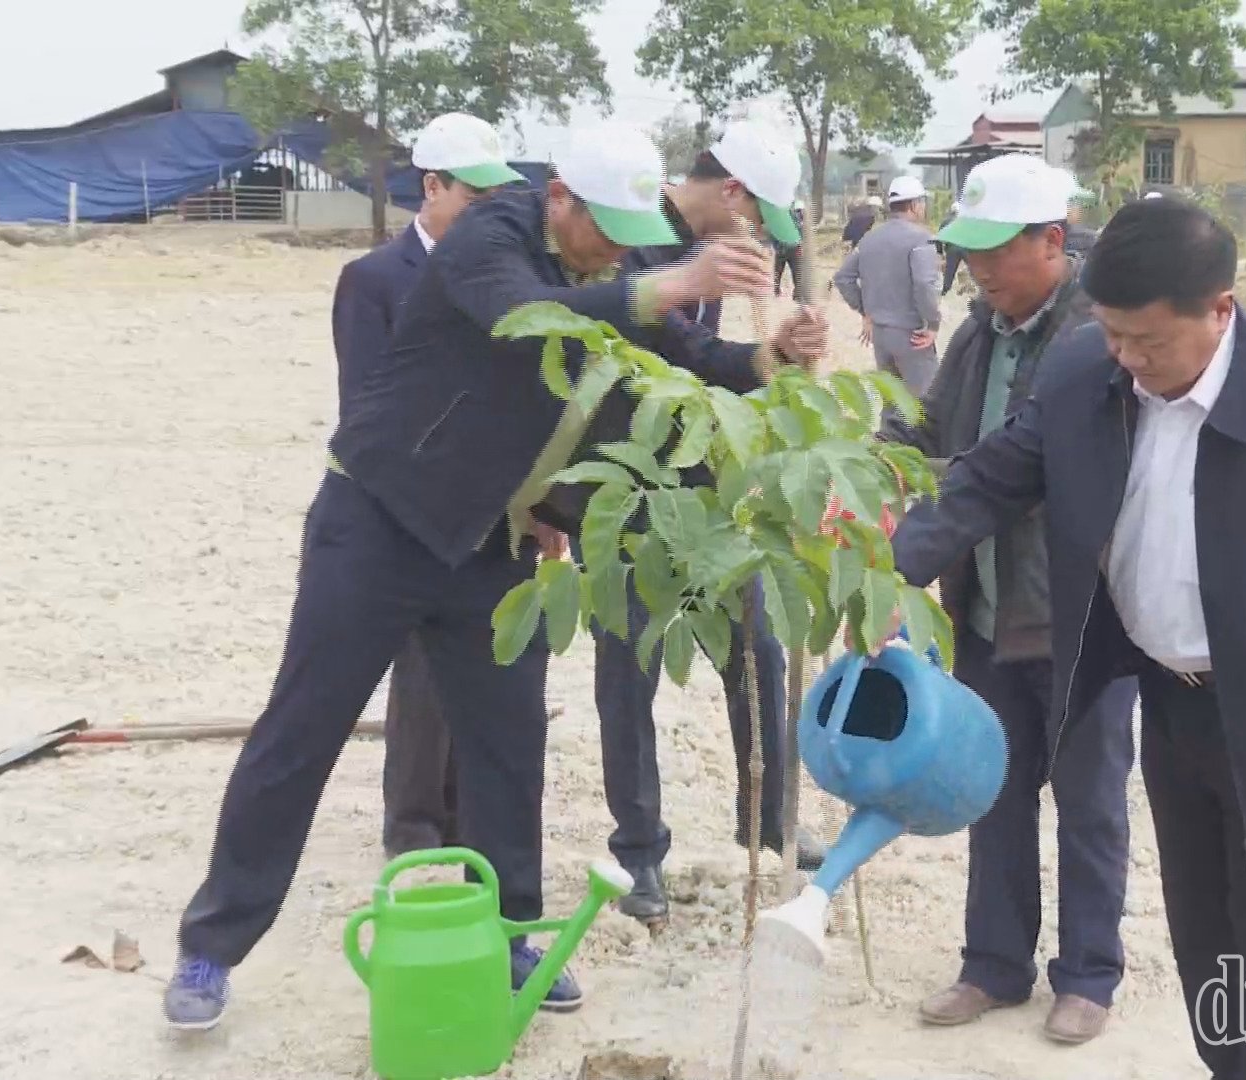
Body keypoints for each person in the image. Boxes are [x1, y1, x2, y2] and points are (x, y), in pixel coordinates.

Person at [163, 122, 818, 1031]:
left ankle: (512, 936)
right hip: (376, 524)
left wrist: (764, 360)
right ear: (558, 196)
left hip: (490, 542)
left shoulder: (611, 266)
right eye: (607, 230)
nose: (623, 249)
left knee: (507, 748)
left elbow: (678, 355)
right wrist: (676, 279)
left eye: (637, 236)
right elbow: (527, 319)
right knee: (300, 730)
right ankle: (212, 945)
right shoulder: (492, 238)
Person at [882, 197, 1246, 1079]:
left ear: (1219, 309)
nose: (1130, 361)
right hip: (1169, 707)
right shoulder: (1085, 373)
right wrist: (891, 565)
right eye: (1113, 335)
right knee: (1208, 953)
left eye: (1149, 341)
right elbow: (992, 477)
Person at [880, 153, 1135, 1046]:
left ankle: (1089, 973)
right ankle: (993, 964)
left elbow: (1023, 472)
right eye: (968, 252)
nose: (977, 269)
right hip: (985, 604)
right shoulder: (978, 334)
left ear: (1053, 242)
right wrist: (872, 454)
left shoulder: (1097, 340)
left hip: (1076, 616)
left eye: (994, 250)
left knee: (1089, 797)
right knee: (994, 788)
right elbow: (925, 423)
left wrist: (913, 528)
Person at [582, 121, 830, 922]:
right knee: (630, 674)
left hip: (701, 490)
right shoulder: (629, 240)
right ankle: (640, 855)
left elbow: (704, 365)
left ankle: (769, 819)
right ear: (731, 192)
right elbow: (677, 351)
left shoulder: (712, 263)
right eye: (756, 218)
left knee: (754, 649)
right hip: (620, 493)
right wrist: (758, 363)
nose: (758, 236)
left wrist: (781, 353)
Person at [332, 113, 532, 861]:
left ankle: (466, 828)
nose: (485, 213)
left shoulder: (502, 280)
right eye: (472, 199)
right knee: (421, 678)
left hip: (497, 507)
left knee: (485, 679)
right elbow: (367, 410)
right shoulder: (374, 281)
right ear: (432, 187)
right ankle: (414, 831)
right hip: (414, 507)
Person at [834, 175, 944, 394]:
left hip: (880, 335)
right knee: (926, 404)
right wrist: (932, 324)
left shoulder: (869, 239)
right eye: (922, 202)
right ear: (914, 205)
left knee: (893, 404)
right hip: (911, 335)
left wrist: (866, 311)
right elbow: (924, 284)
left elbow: (842, 278)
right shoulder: (921, 239)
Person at [774, 198, 811, 300]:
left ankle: (776, 290)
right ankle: (797, 294)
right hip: (793, 247)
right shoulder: (800, 222)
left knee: (778, 270)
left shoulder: (781, 217)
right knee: (796, 271)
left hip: (783, 246)